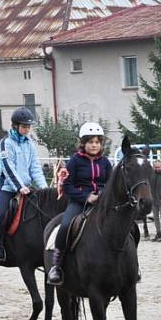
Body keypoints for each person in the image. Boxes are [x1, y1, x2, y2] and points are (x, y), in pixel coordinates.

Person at [47, 122, 112, 284]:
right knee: (65, 225)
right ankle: (56, 265)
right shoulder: (75, 161)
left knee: (128, 225)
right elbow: (67, 185)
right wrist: (86, 197)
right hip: (79, 201)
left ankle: (132, 264)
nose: (94, 145)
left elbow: (111, 183)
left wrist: (103, 195)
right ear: (83, 143)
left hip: (103, 203)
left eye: (97, 142)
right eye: (90, 142)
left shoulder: (105, 162)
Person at [0, 107, 47, 262]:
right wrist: (19, 187)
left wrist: (44, 188)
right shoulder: (5, 144)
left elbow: (35, 168)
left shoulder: (29, 144)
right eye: (24, 126)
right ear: (15, 126)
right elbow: (8, 168)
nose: (27, 129)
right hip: (8, 188)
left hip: (27, 188)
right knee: (3, 214)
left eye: (29, 127)